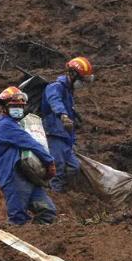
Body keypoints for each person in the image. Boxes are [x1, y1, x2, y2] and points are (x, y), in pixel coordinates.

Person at [0, 87, 57, 225]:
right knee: (18, 218)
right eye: (14, 106)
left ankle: (39, 242)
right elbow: (30, 142)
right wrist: (49, 162)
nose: (18, 109)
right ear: (4, 107)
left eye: (20, 106)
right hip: (13, 176)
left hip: (26, 174)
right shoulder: (5, 126)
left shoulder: (14, 124)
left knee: (47, 212)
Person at [40, 56, 94, 192]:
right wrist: (62, 115)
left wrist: (72, 141)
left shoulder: (69, 92)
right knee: (57, 167)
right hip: (54, 134)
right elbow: (54, 101)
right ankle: (55, 195)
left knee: (74, 166)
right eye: (82, 80)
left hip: (65, 139)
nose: (82, 83)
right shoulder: (55, 87)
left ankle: (64, 194)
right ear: (73, 74)